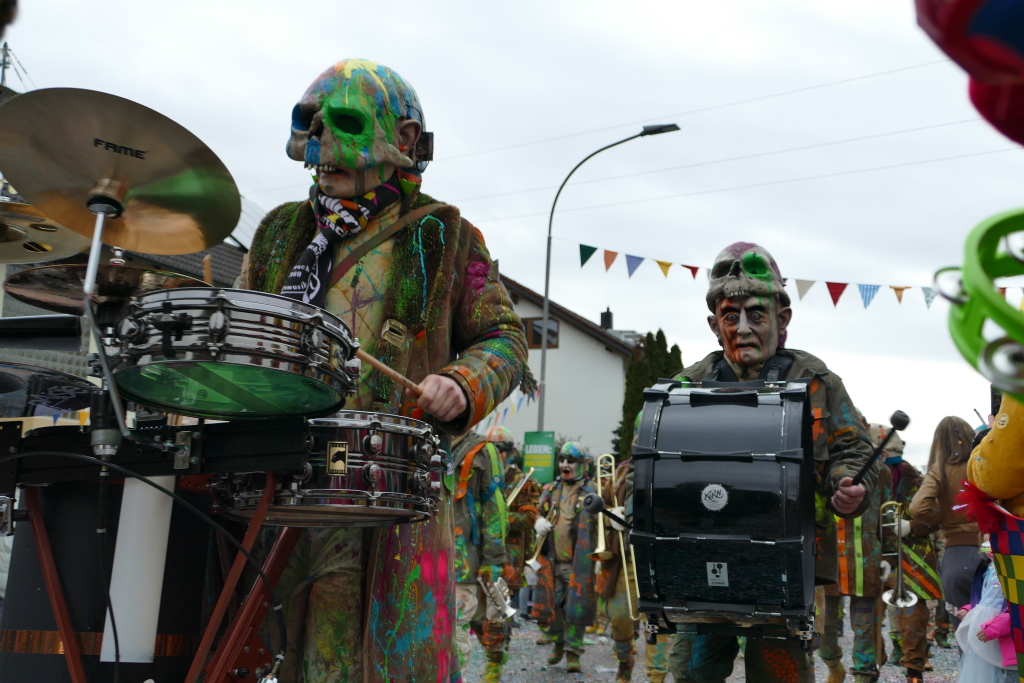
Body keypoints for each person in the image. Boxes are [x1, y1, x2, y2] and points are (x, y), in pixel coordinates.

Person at [242, 59, 532, 682]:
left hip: (392, 501)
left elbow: (507, 339)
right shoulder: (275, 234)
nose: (319, 141)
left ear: (403, 143)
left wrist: (462, 382)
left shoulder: (447, 235)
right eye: (309, 124)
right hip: (279, 489)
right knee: (272, 659)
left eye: (343, 123)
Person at [665, 242, 878, 683]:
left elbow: (854, 450)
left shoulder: (816, 382)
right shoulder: (683, 388)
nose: (743, 328)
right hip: (701, 569)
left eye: (756, 315)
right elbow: (643, 463)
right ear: (713, 324)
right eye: (730, 316)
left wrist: (848, 484)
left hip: (786, 570)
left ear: (782, 320)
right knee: (692, 676)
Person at [818, 422, 896, 683]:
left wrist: (889, 555)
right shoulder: (823, 466)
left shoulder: (882, 472)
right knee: (824, 627)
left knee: (864, 626)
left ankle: (864, 675)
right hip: (828, 559)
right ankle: (832, 664)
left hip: (866, 559)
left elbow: (888, 515)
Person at [872, 423, 942, 683]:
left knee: (913, 615)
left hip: (912, 557)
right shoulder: (868, 477)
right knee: (869, 613)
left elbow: (937, 516)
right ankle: (874, 664)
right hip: (876, 554)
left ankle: (914, 667)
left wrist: (912, 526)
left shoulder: (915, 479)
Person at [910, 417, 982, 633]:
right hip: (994, 552)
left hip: (958, 556)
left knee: (966, 637)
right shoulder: (983, 464)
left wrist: (942, 518)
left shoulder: (940, 470)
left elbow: (918, 508)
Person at [531, 441, 598, 674]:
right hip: (551, 561)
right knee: (552, 607)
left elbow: (603, 520)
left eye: (570, 460)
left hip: (578, 563)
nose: (564, 464)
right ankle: (558, 642)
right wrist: (538, 521)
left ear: (584, 464)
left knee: (575, 609)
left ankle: (573, 653)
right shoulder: (550, 489)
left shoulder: (592, 491)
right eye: (561, 459)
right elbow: (538, 511)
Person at [452, 430, 512, 682]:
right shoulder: (425, 435)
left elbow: (494, 509)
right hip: (425, 560)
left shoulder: (483, 450)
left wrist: (494, 562)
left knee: (456, 635)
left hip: (463, 561)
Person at [489, 426, 540, 629]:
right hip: (488, 551)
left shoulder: (523, 481)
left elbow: (529, 518)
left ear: (510, 453)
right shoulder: (485, 476)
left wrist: (501, 517)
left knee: (501, 611)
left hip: (509, 554)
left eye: (497, 450)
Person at [956, 561, 1017, 683]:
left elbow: (1018, 609)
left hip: (1012, 643)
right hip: (989, 637)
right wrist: (973, 609)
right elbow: (989, 598)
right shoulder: (991, 565)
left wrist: (997, 626)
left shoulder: (1017, 563)